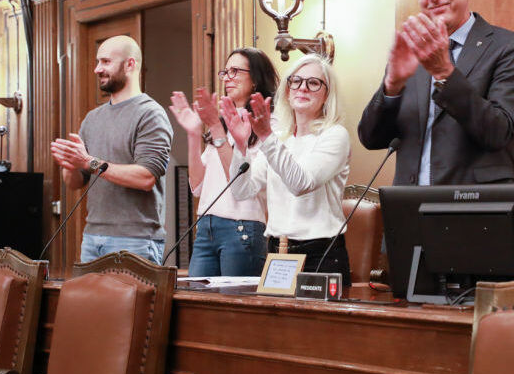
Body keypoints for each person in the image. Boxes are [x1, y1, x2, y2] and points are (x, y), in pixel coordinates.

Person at [358, 0, 514, 185]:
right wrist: (392, 86)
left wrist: (444, 73)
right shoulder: (411, 50)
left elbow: (497, 133)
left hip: (476, 210)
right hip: (410, 210)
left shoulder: (509, 47)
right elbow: (371, 138)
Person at [220, 54, 353, 284]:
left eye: (313, 83)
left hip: (319, 254)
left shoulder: (334, 135)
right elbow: (243, 191)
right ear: (288, 89)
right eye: (296, 81)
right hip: (277, 253)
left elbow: (301, 183)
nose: (302, 88)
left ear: (327, 95)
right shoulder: (280, 138)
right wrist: (240, 147)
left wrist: (265, 137)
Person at [51, 35, 173, 263]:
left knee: (133, 301)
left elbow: (146, 177)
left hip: (135, 240)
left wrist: (88, 162)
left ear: (130, 64)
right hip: (92, 237)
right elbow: (76, 183)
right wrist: (70, 164)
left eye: (106, 62)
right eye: (97, 62)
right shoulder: (92, 118)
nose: (97, 69)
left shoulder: (150, 114)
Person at [169, 48, 278, 277]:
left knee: (235, 310)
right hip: (205, 227)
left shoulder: (266, 123)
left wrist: (217, 131)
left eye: (235, 71)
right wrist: (193, 133)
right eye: (225, 71)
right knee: (199, 306)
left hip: (241, 228)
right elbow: (197, 187)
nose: (228, 77)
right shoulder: (221, 122)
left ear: (256, 78)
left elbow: (241, 186)